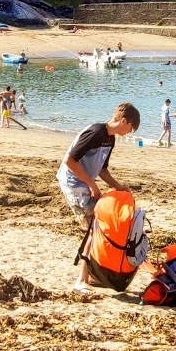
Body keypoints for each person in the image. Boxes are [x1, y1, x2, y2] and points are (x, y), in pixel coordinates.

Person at [61, 103, 139, 291]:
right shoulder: (96, 132)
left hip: (84, 183)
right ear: (123, 121)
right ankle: (81, 280)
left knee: (97, 227)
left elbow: (102, 169)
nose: (131, 132)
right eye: (131, 128)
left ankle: (90, 276)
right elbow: (69, 161)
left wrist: (118, 187)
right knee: (94, 230)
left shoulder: (110, 139)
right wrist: (92, 185)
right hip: (73, 184)